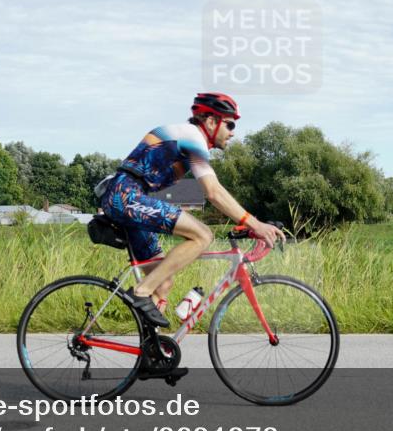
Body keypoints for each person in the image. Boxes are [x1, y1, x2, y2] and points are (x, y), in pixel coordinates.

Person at [98, 92, 285, 328]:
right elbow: (213, 192)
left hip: (127, 197)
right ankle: (140, 292)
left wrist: (250, 222)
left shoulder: (187, 140)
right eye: (229, 123)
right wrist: (255, 224)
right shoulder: (191, 137)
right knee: (203, 235)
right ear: (210, 121)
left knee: (163, 283)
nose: (233, 131)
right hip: (127, 196)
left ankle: (152, 357)